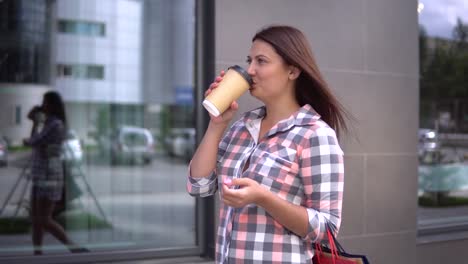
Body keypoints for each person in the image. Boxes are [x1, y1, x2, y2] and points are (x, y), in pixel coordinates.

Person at [187, 25, 350, 263]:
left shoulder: (315, 135)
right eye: (249, 60)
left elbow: (327, 228)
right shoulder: (243, 126)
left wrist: (262, 197)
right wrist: (217, 124)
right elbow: (198, 186)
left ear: (292, 71)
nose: (250, 70)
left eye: (261, 61)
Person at [23, 91, 88, 255]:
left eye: (44, 102)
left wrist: (34, 125)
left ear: (51, 105)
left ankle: (73, 246)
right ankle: (37, 253)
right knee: (37, 220)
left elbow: (33, 141)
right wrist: (35, 124)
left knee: (44, 218)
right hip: (40, 175)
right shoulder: (48, 123)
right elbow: (36, 143)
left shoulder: (55, 124)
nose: (42, 105)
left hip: (49, 177)